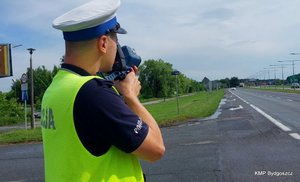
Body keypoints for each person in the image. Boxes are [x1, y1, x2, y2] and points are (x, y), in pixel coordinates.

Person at [41, 0, 165, 181]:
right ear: (104, 43)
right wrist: (131, 97)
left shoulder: (55, 88)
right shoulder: (94, 93)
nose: (117, 47)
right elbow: (156, 149)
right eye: (116, 38)